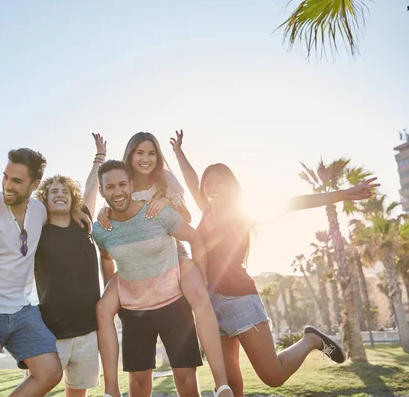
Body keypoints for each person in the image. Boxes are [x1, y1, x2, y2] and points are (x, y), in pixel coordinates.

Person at [170, 129, 380, 397]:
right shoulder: (206, 210)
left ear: (231, 185)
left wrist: (343, 193)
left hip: (240, 300)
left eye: (218, 182)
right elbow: (191, 180)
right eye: (208, 183)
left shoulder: (242, 214)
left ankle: (311, 339)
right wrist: (178, 151)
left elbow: (294, 203)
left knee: (273, 376)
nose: (211, 187)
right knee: (230, 381)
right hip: (208, 304)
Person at [95, 133, 230, 397]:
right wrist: (101, 212)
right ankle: (111, 391)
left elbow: (187, 220)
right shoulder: (120, 181)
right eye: (139, 153)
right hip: (134, 263)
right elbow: (109, 232)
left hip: (171, 252)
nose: (145, 158)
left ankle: (221, 383)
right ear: (130, 156)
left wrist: (166, 202)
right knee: (103, 308)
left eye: (151, 153)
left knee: (199, 294)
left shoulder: (164, 180)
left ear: (158, 157)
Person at [0, 148, 93, 397]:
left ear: (35, 184)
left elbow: (58, 214)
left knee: (50, 372)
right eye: (5, 177)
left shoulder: (39, 212)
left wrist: (75, 212)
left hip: (22, 310)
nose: (8, 185)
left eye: (17, 181)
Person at [31, 133, 106, 397]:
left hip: (88, 329)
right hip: (52, 330)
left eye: (65, 191)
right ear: (45, 199)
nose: (60, 194)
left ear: (72, 198)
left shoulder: (82, 223)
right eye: (54, 192)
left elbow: (91, 188)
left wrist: (99, 158)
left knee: (77, 392)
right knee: (38, 386)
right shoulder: (37, 232)